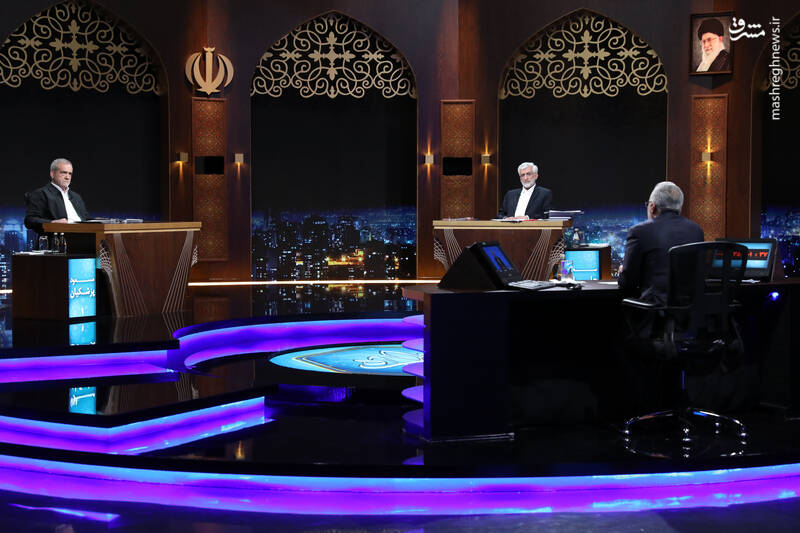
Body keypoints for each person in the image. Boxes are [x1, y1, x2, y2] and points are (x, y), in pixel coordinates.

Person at [618, 181, 704, 305]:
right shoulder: (696, 230)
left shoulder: (639, 231)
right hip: (690, 311)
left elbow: (627, 283)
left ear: (652, 207)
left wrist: (623, 272)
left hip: (655, 311)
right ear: (679, 208)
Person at [24, 158, 90, 234]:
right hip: (58, 238)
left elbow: (86, 219)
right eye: (64, 173)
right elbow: (30, 220)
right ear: (52, 174)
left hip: (84, 236)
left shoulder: (76, 197)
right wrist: (52, 223)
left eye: (70, 174)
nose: (67, 177)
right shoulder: (41, 194)